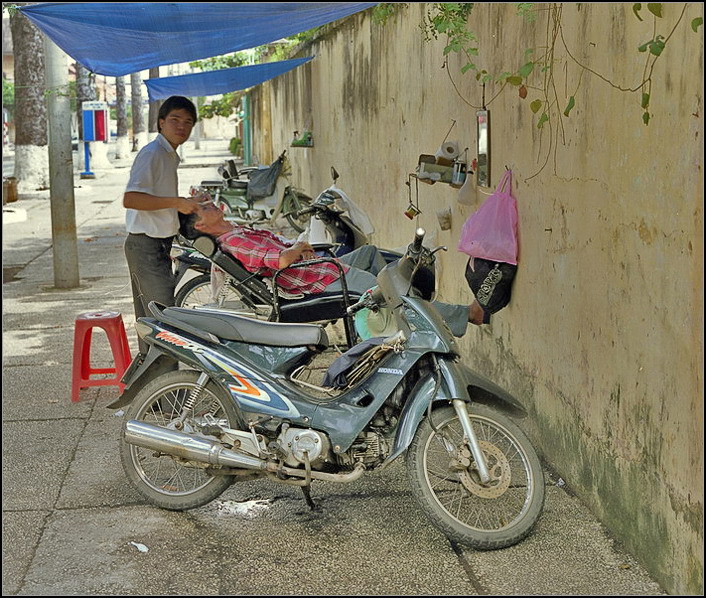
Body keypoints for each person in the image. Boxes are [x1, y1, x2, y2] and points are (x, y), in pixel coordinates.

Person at [180, 203, 477, 337]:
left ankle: (410, 307)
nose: (209, 203)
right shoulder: (234, 241)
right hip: (314, 282)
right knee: (387, 289)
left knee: (370, 254)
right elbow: (280, 260)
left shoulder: (236, 230)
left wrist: (299, 247)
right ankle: (463, 315)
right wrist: (298, 248)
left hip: (317, 268)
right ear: (201, 225)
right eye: (203, 208)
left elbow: (282, 247)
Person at [123, 96, 200, 353]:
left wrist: (186, 204)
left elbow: (158, 199)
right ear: (161, 122)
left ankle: (156, 376)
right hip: (146, 246)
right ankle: (166, 378)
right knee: (164, 326)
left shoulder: (168, 154)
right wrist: (176, 202)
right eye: (175, 119)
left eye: (188, 122)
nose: (181, 126)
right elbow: (131, 199)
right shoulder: (153, 154)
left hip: (159, 245)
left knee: (154, 322)